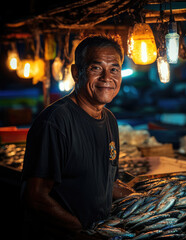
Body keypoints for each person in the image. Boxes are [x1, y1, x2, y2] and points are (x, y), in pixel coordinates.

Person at [21, 35, 135, 240]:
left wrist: (144, 198)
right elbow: (35, 197)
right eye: (96, 68)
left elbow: (104, 183)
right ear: (76, 72)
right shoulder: (55, 122)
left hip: (101, 230)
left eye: (114, 69)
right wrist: (81, 231)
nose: (107, 77)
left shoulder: (109, 120)